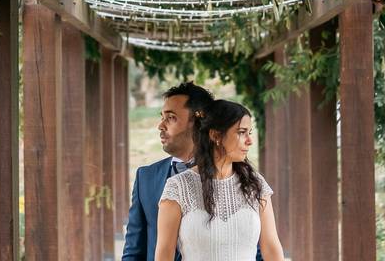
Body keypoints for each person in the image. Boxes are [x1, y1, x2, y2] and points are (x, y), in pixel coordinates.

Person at [155, 100, 285, 261]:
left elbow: (271, 248)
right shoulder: (178, 187)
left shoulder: (255, 184)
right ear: (215, 135)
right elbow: (164, 254)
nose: (249, 141)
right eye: (241, 132)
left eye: (249, 133)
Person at [122, 82, 214, 261]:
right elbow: (133, 251)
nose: (160, 125)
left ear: (199, 123)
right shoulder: (146, 178)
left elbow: (252, 247)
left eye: (171, 117)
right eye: (162, 117)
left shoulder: (231, 176)